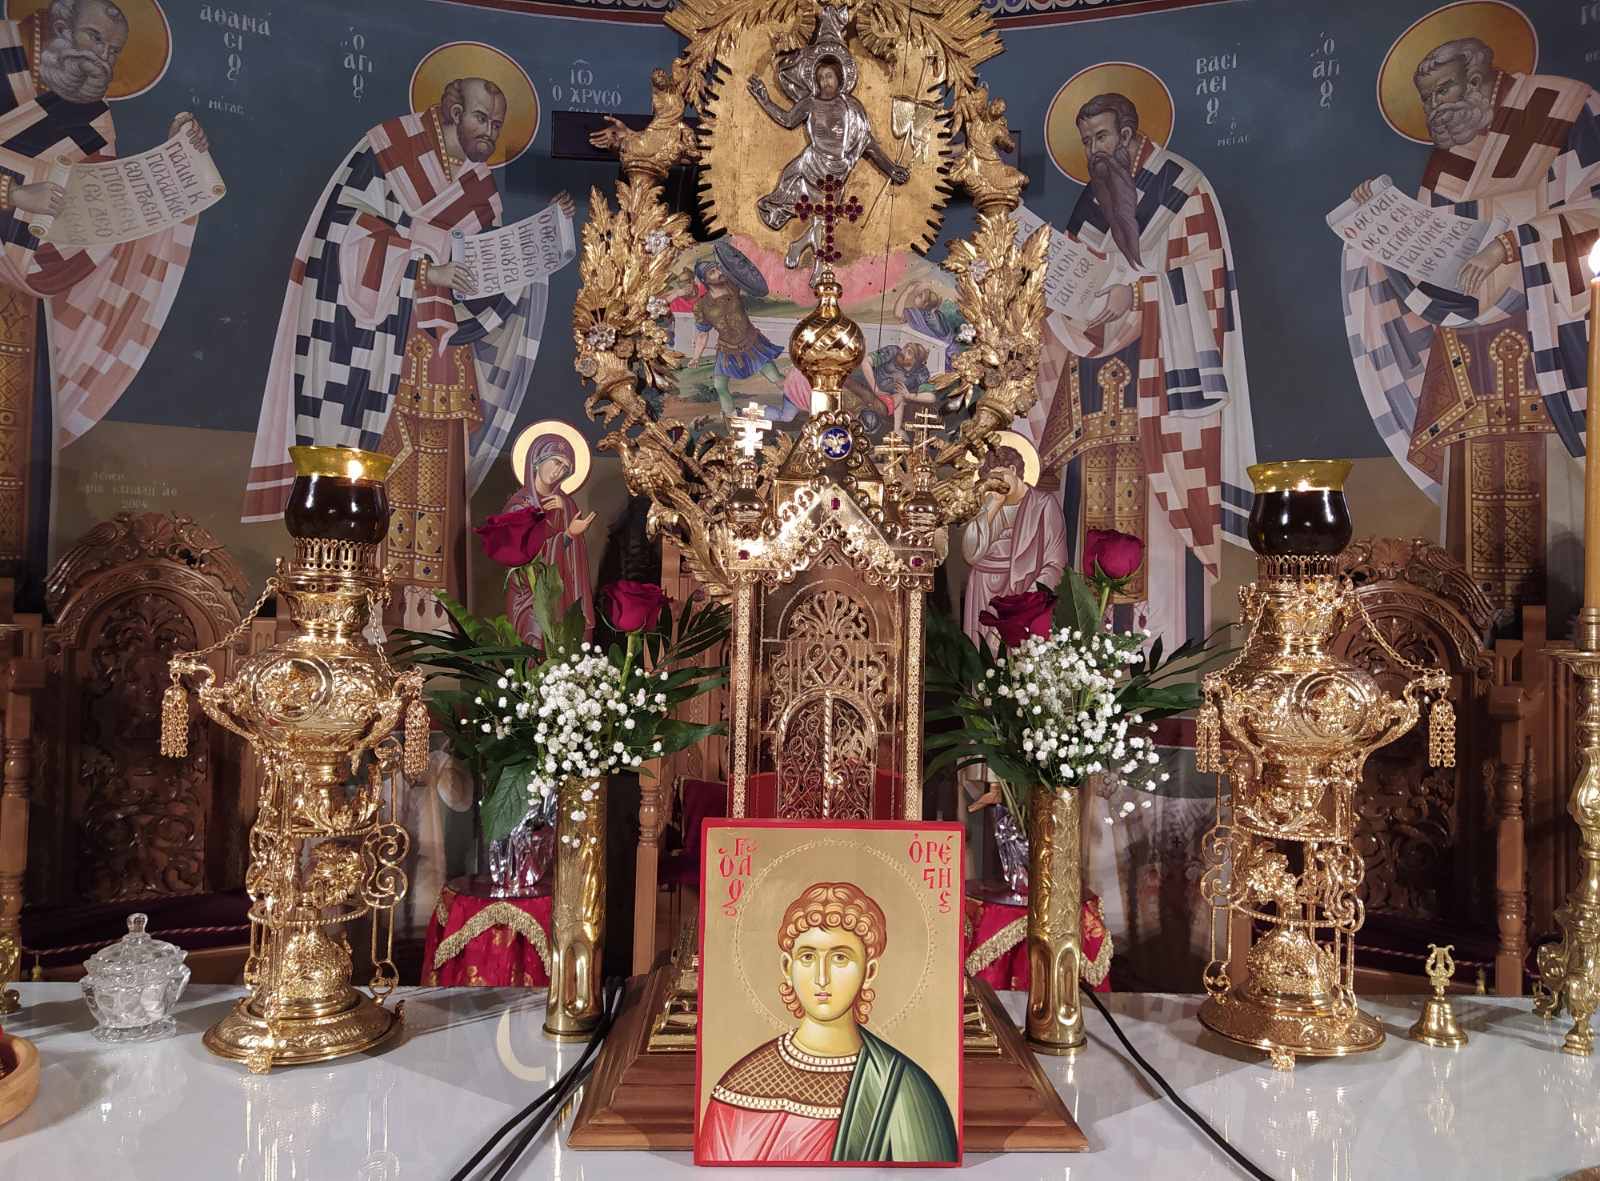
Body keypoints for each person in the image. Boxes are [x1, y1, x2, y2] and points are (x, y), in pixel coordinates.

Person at [243, 71, 573, 630]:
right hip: (380, 356)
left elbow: (485, 276)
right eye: (480, 118)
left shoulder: (482, 190)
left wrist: (543, 238)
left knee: (438, 483)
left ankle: (428, 626)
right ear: (451, 111)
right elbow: (344, 237)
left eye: (497, 124)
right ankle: (363, 618)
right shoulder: (387, 152)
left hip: (444, 357)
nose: (489, 132)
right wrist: (423, 270)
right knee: (378, 476)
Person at [1343, 35, 1599, 615]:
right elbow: (1440, 261)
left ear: (1482, 80)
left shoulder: (1564, 109)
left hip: (1548, 355)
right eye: (1428, 97)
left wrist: (1513, 243)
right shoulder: (1451, 159)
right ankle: (1475, 643)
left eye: (1446, 89)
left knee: (1563, 535)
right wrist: (1380, 226)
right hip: (1472, 369)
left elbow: (1593, 207)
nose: (1436, 107)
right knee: (1471, 548)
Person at [0, 0, 207, 596]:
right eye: (93, 37)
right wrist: (13, 195)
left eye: (113, 50)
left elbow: (102, 221)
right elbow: (34, 196)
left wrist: (177, 169)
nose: (102, 57)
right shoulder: (6, 67)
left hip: (27, 318)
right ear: (59, 26)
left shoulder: (94, 120)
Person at [1031, 90, 1253, 645]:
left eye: (1102, 137)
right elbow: (1075, 286)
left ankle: (1165, 661)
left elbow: (1204, 284)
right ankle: (1082, 677)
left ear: (1129, 134)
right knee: (1083, 530)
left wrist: (1135, 296)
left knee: (1160, 532)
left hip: (1160, 395)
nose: (1094, 150)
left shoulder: (1183, 189)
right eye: (1086, 141)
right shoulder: (1090, 204)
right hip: (1091, 401)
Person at [699, 882, 958, 1163]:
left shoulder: (904, 1089)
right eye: (808, 957)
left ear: (869, 971)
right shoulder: (739, 1085)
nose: (822, 978)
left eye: (840, 958)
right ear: (787, 967)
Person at [748, 9, 909, 269]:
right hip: (809, 165)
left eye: (830, 76)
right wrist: (764, 100)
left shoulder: (852, 108)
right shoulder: (810, 103)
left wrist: (891, 169)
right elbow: (787, 120)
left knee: (826, 219)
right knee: (819, 217)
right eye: (821, 77)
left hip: (838, 170)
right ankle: (819, 268)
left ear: (840, 77)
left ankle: (802, 251)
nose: (825, 81)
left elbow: (868, 144)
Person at [961, 444, 1068, 645]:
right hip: (983, 589)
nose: (996, 484)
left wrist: (1031, 598)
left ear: (1013, 469)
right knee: (984, 654)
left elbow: (1056, 562)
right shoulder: (989, 503)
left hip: (1024, 592)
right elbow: (971, 553)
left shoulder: (1044, 504)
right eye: (991, 480)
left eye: (999, 476)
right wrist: (992, 506)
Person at [503, 431, 595, 644]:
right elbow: (523, 556)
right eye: (556, 462)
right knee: (535, 644)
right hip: (528, 596)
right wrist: (568, 534)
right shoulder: (518, 505)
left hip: (564, 595)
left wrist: (566, 515)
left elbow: (575, 561)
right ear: (537, 460)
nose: (558, 472)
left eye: (565, 468)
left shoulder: (567, 504)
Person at [689, 259, 788, 417]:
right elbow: (702, 333)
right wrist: (696, 357)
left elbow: (752, 281)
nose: (719, 273)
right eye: (712, 272)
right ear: (704, 279)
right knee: (719, 385)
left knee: (775, 377)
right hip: (727, 350)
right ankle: (731, 416)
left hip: (751, 344)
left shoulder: (733, 286)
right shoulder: (701, 306)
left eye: (718, 269)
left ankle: (793, 406)